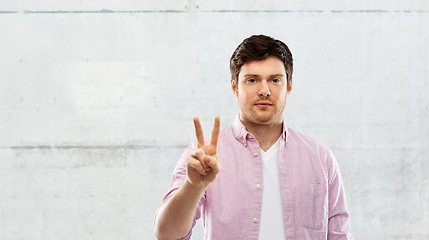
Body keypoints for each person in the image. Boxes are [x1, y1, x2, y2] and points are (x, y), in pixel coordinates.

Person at [154, 34, 352, 240]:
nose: (264, 90)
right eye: (252, 80)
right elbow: (166, 234)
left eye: (275, 80)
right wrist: (193, 186)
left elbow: (340, 235)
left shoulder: (321, 158)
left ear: (289, 86)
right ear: (234, 87)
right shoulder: (203, 157)